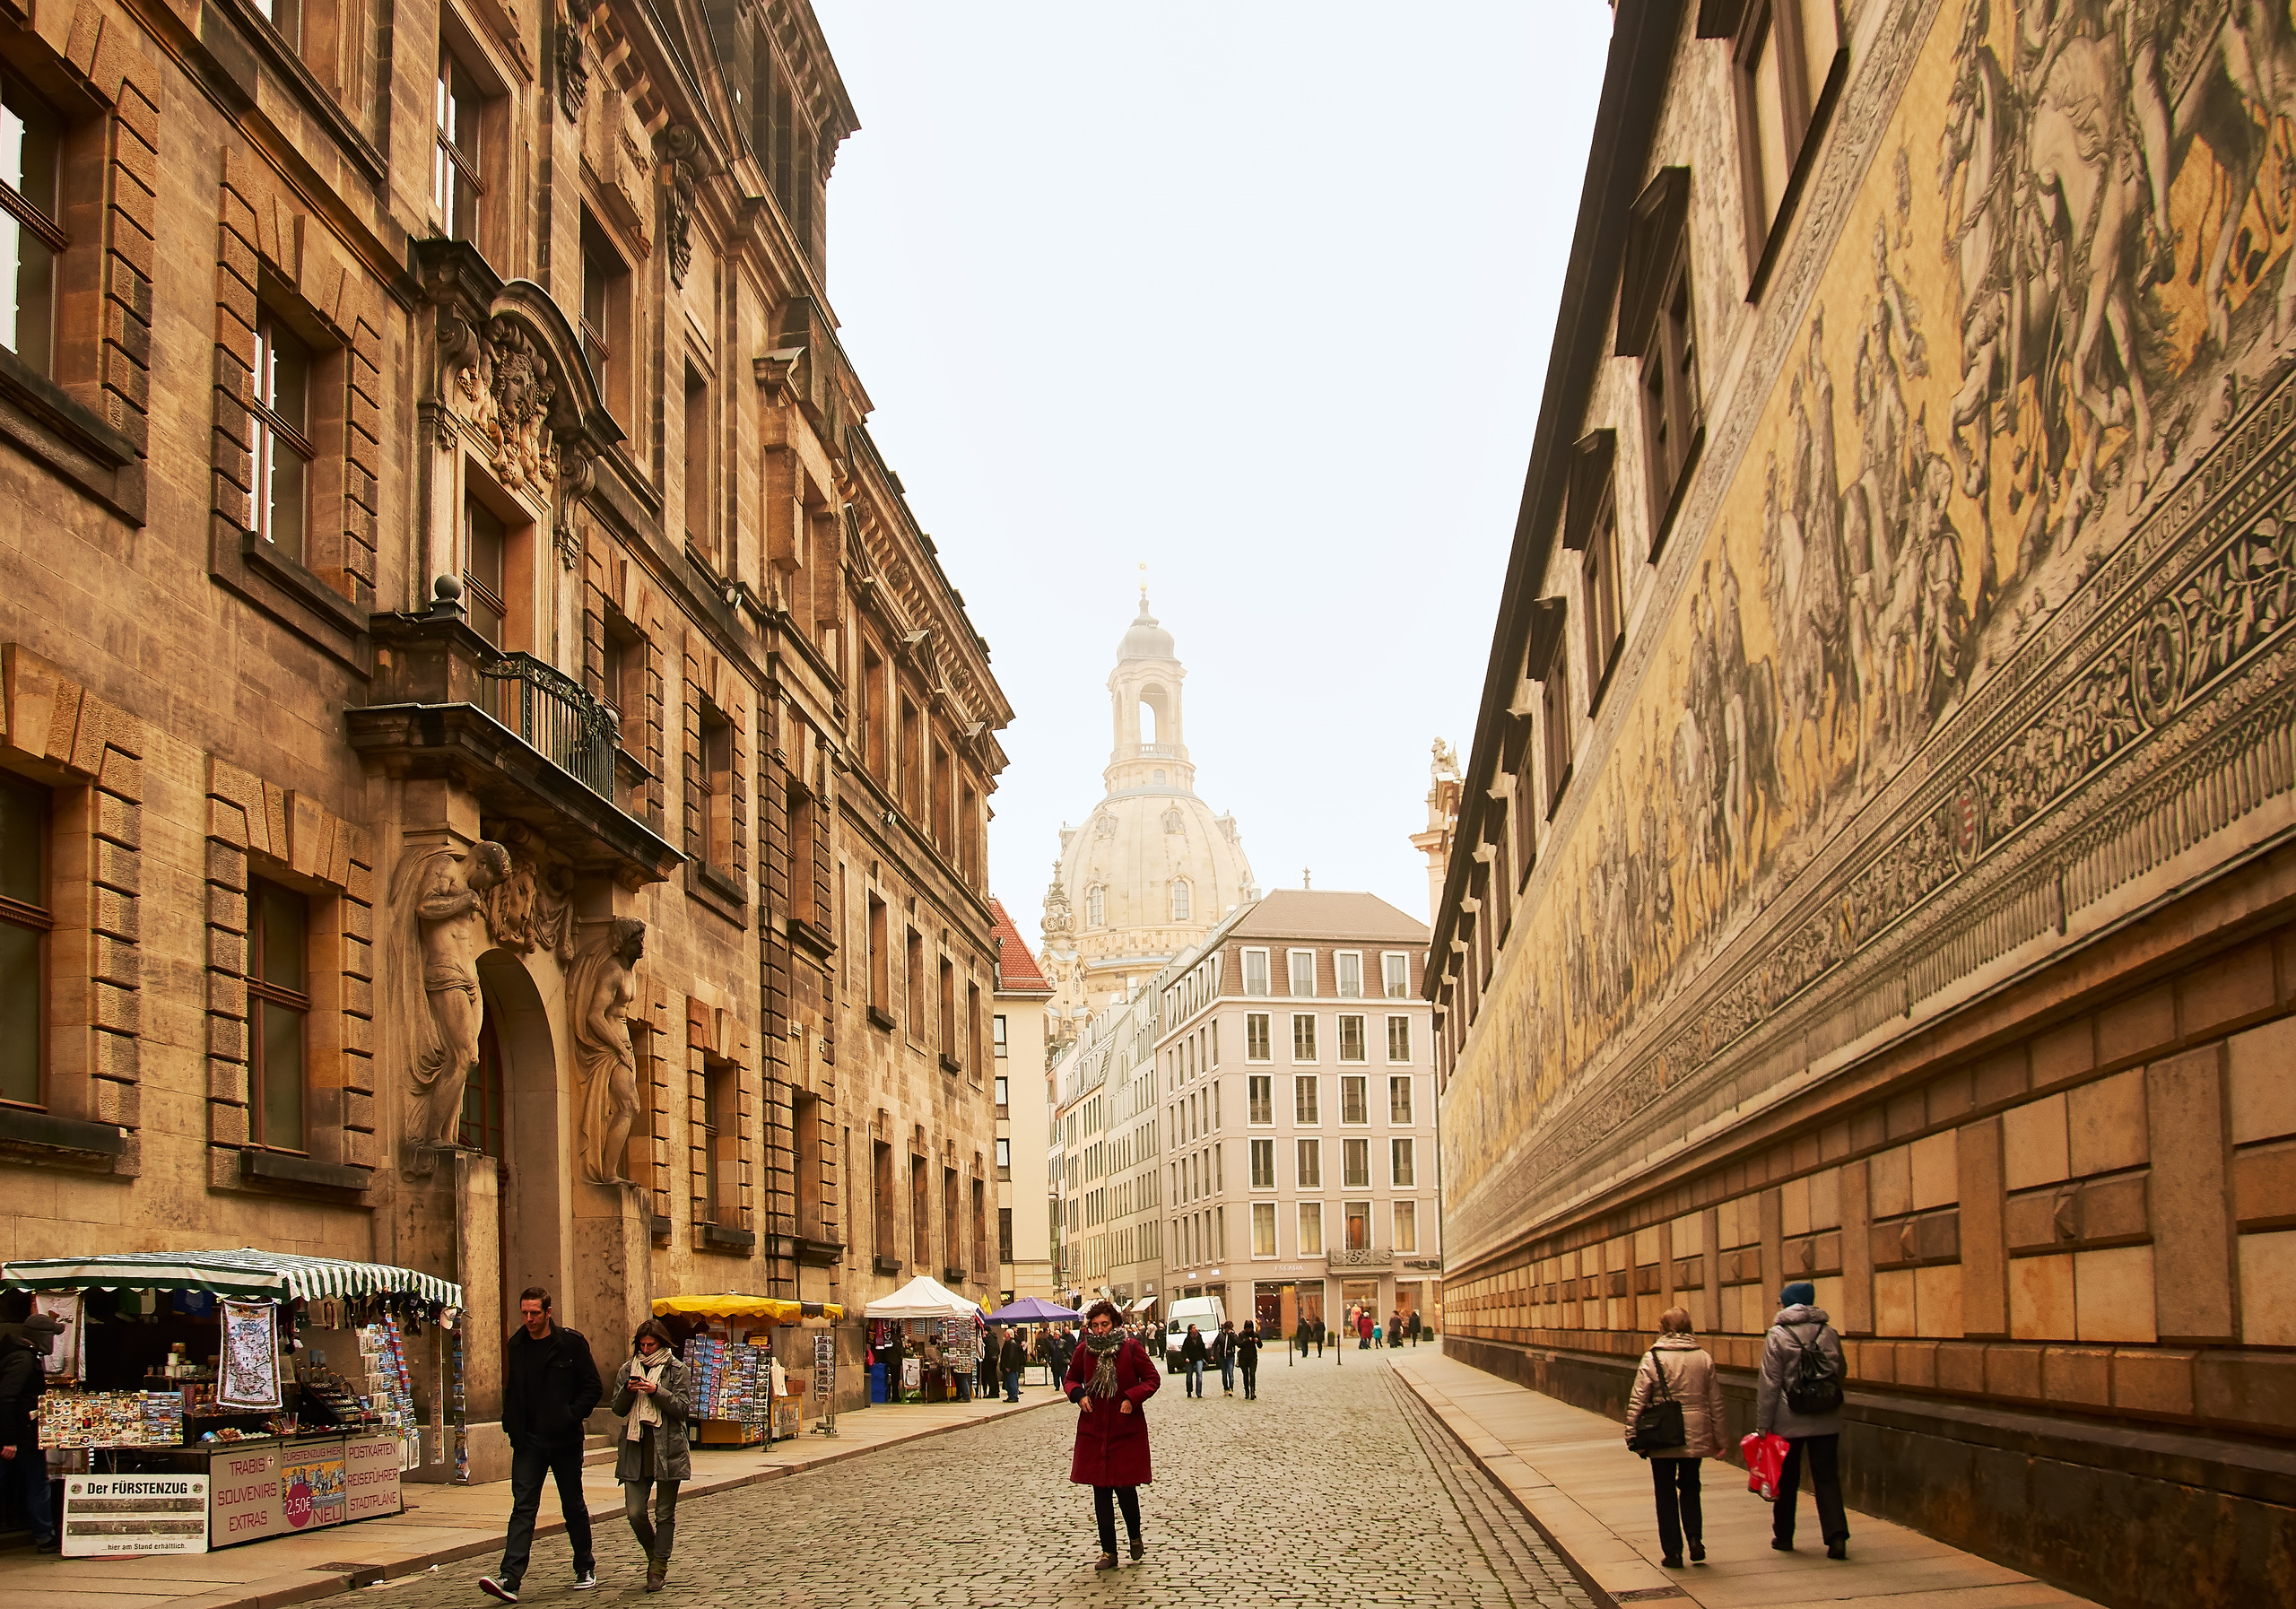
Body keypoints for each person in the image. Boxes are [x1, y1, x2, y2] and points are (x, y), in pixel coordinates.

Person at [481, 1288, 604, 1602]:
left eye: (534, 1313)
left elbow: (592, 1387)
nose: (529, 1319)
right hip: (528, 1440)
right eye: (524, 1313)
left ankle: (584, 1565)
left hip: (563, 1439)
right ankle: (510, 1577)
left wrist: (570, 1415)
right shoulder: (517, 1344)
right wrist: (511, 1424)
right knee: (523, 1506)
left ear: (548, 1312)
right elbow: (512, 1390)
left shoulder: (571, 1344)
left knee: (572, 1504)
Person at [1624, 1307, 1727, 1569]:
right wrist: (1721, 1438)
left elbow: (1639, 1398)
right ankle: (1694, 1538)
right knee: (1691, 1486)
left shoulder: (1653, 1357)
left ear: (1663, 1328)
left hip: (1663, 1434)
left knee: (1665, 1491)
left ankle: (1673, 1552)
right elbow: (1716, 1402)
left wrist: (1632, 1433)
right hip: (1697, 1430)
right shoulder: (1703, 1357)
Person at [1758, 1281, 1850, 1560]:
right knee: (1827, 1477)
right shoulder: (1829, 1331)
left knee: (1787, 1478)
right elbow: (1840, 1371)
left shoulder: (1778, 1335)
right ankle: (1836, 1537)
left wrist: (1764, 1424)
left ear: (1787, 1304)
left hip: (1789, 1418)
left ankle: (1784, 1536)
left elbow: (1770, 1383)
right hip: (1826, 1415)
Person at [1064, 1299, 1158, 1570]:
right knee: (1101, 1492)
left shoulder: (1131, 1348)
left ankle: (1135, 1536)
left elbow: (1152, 1379)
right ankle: (1108, 1553)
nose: (1100, 1330)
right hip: (1095, 1431)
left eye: (1104, 1324)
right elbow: (1070, 1379)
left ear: (1115, 1323)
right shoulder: (1084, 1351)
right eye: (1095, 1325)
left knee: (1126, 1489)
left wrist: (1131, 1397)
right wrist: (1079, 1395)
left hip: (1124, 1430)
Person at [610, 1319, 690, 1594]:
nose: (645, 1349)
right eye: (641, 1345)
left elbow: (682, 1409)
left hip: (667, 1449)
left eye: (650, 1345)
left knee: (664, 1513)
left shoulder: (677, 1370)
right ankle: (653, 1552)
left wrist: (656, 1391)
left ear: (662, 1343)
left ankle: (658, 1568)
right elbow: (617, 1409)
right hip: (636, 1448)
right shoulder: (627, 1369)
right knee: (634, 1512)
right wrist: (628, 1392)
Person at [0, 1312, 65, 1553]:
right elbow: (6, 1399)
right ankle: (44, 1536)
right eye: (51, 1336)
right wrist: (8, 1440)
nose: (53, 1343)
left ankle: (44, 1535)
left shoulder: (19, 1355)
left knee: (37, 1482)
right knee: (38, 1483)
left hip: (21, 1435)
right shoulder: (24, 1360)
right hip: (18, 1436)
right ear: (42, 1337)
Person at [1178, 1323, 1207, 1397]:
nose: (1195, 1329)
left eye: (1195, 1327)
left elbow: (1203, 1349)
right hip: (1189, 1360)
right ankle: (1189, 1391)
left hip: (1198, 1358)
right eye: (1193, 1328)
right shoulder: (1187, 1340)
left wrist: (1207, 1359)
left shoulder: (1199, 1338)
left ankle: (1198, 1392)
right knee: (1189, 1376)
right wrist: (1186, 1358)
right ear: (1190, 1330)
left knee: (1199, 1375)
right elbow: (1183, 1350)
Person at [1235, 1321, 1261, 1401]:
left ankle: (1253, 1391)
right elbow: (1239, 1344)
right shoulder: (1241, 1334)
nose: (1249, 1330)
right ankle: (1247, 1391)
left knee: (1252, 1374)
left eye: (1250, 1328)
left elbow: (1260, 1346)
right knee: (1245, 1375)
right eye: (1247, 1328)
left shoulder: (1255, 1334)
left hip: (1253, 1357)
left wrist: (1257, 1341)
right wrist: (1247, 1340)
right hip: (1243, 1357)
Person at [1000, 1326, 1027, 1403]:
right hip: (1010, 1366)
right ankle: (1011, 1396)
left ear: (1009, 1335)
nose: (1004, 1335)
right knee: (1010, 1382)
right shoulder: (1010, 1343)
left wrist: (1008, 1366)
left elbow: (1011, 1356)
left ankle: (1013, 1396)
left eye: (1006, 1333)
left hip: (1011, 1367)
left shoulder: (1011, 1343)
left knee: (1012, 1381)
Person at [1213, 1320, 1236, 1396]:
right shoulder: (1220, 1335)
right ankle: (1225, 1388)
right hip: (1222, 1357)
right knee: (1224, 1373)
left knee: (1230, 1373)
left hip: (1230, 1357)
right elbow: (1215, 1344)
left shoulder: (1233, 1335)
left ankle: (1231, 1389)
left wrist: (1231, 1335)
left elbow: (1237, 1342)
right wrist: (1213, 1354)